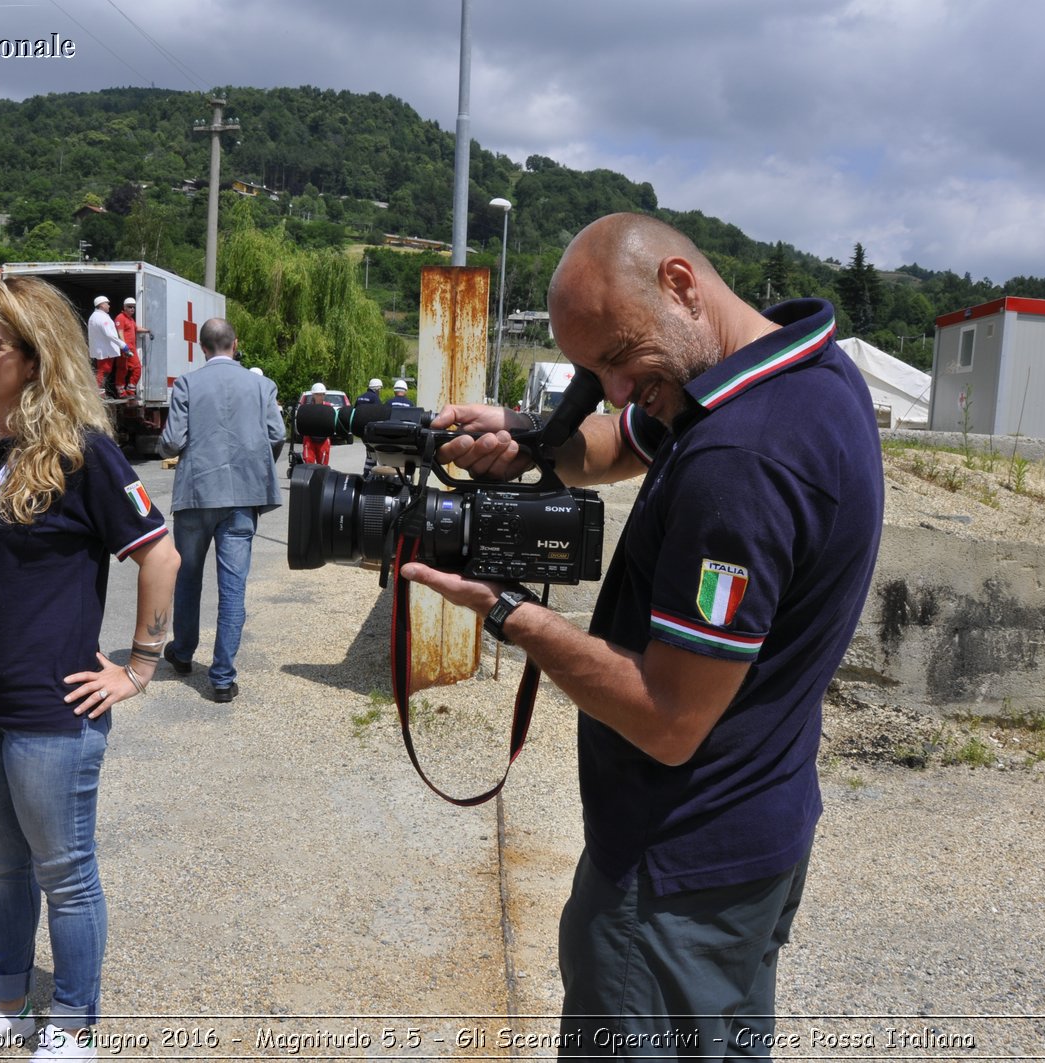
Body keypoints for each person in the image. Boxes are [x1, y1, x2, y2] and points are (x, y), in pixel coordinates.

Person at [400, 213, 884, 1056]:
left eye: (619, 360)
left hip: (673, 878)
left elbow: (668, 719)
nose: (617, 389)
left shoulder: (742, 459)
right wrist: (532, 441)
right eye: (593, 372)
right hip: (752, 842)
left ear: (681, 285)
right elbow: (620, 440)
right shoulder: (801, 373)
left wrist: (509, 611)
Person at [0, 276, 180, 1062]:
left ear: (36, 359)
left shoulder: (84, 452)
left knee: (63, 873)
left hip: (49, 706)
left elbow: (160, 553)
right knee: (0, 866)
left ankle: (73, 1024)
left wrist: (139, 666)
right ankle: (5, 1002)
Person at [158, 317, 285, 703]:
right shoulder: (262, 385)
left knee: (188, 579)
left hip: (196, 495)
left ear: (203, 348)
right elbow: (277, 436)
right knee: (233, 589)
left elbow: (172, 441)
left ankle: (182, 654)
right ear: (236, 343)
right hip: (242, 499)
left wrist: (166, 450)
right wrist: (256, 464)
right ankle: (222, 678)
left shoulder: (187, 384)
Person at [86, 295, 127, 393]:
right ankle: (98, 392)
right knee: (104, 370)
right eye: (107, 303)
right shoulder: (101, 318)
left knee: (103, 370)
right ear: (101, 305)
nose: (109, 306)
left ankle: (100, 391)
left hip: (102, 348)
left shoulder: (95, 316)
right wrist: (123, 345)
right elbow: (110, 334)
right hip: (105, 349)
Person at [112, 296, 149, 397]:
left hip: (132, 349)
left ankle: (130, 391)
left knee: (137, 368)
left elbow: (136, 329)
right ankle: (121, 392)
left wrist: (148, 331)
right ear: (124, 307)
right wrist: (124, 347)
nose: (132, 309)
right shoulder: (120, 318)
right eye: (129, 307)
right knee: (122, 369)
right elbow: (120, 333)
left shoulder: (131, 320)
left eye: (133, 307)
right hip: (124, 349)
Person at [300, 382, 334, 467]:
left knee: (323, 465)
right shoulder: (307, 408)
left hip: (324, 439)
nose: (320, 396)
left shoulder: (328, 407)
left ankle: (321, 479)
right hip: (309, 438)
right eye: (318, 394)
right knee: (308, 462)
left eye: (322, 394)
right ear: (313, 395)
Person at [355, 378, 383, 473]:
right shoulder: (375, 399)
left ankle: (367, 472)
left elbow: (355, 412)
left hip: (360, 430)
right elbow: (379, 413)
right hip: (370, 430)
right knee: (372, 452)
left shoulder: (360, 397)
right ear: (377, 389)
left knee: (369, 451)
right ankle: (369, 473)